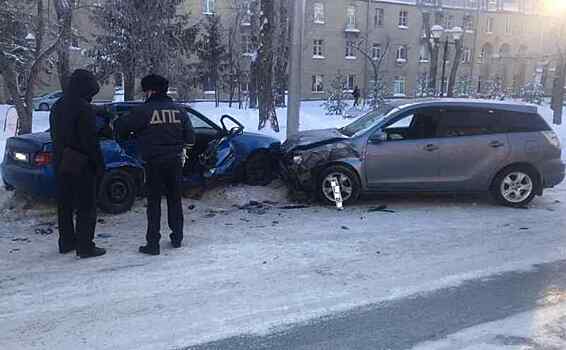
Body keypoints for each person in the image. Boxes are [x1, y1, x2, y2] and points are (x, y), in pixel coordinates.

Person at [114, 74, 194, 255]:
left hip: (154, 163)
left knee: (154, 202)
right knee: (175, 199)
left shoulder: (144, 111)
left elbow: (122, 128)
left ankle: (153, 244)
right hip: (174, 161)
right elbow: (190, 138)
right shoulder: (179, 110)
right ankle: (177, 238)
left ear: (150, 91)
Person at [49, 69, 106, 259]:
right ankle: (85, 246)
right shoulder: (83, 108)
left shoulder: (58, 105)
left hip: (60, 161)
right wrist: (99, 164)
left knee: (64, 205)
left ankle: (66, 242)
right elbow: (90, 141)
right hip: (82, 164)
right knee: (86, 206)